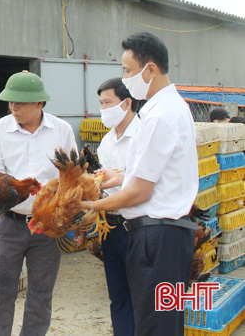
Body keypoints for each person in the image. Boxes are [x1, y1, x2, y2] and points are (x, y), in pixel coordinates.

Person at [81, 32, 198, 335]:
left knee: (154, 326)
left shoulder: (159, 116)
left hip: (157, 238)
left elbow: (139, 191)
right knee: (165, 322)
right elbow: (144, 176)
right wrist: (116, 178)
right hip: (167, 237)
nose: (125, 77)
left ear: (150, 70)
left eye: (128, 71)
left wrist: (90, 205)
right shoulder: (171, 108)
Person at [0, 70, 77, 336]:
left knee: (41, 291)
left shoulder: (62, 130)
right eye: (10, 101)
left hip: (48, 226)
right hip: (10, 222)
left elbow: (70, 176)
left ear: (39, 103)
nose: (13, 107)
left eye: (21, 102)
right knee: (2, 290)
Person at [95, 77, 140, 336]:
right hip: (110, 226)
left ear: (126, 103)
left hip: (137, 225)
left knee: (143, 293)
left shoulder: (144, 134)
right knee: (118, 293)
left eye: (108, 102)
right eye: (100, 103)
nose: (103, 108)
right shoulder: (107, 142)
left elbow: (143, 181)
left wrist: (119, 177)